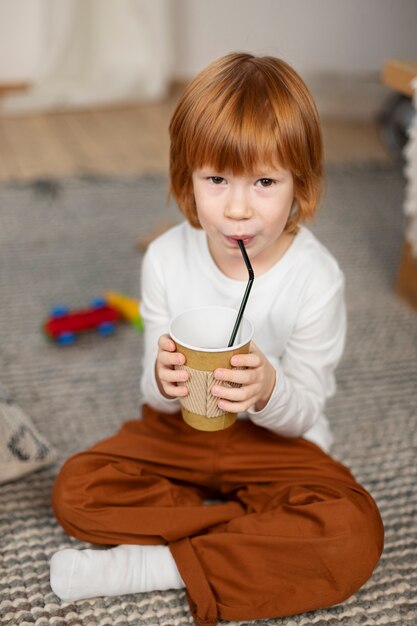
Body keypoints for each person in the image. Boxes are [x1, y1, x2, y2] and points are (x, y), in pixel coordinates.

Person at [50, 52, 384, 626]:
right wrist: (162, 380)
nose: (236, 208)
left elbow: (304, 411)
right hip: (178, 430)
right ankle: (254, 535)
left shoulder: (317, 277)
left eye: (264, 182)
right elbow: (153, 397)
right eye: (216, 179)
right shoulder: (164, 258)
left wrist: (267, 389)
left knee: (353, 530)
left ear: (299, 185)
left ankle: (160, 565)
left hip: (273, 441)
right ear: (187, 180)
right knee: (76, 490)